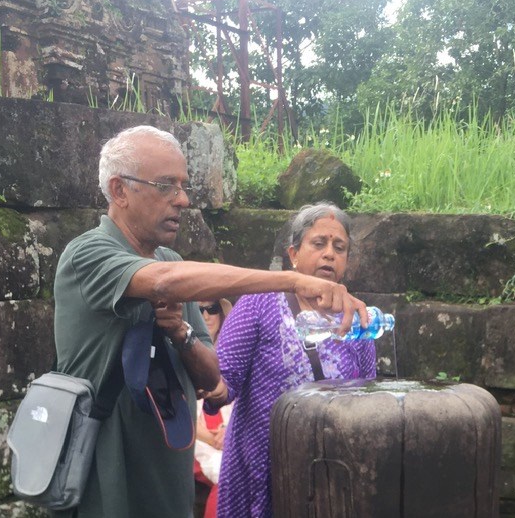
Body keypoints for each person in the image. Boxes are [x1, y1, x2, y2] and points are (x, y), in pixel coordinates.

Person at [52, 126, 367, 518]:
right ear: (120, 191)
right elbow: (164, 284)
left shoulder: (170, 260)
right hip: (106, 462)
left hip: (167, 464)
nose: (182, 200)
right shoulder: (88, 254)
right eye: (166, 185)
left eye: (183, 186)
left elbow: (212, 375)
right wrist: (292, 280)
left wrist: (180, 333)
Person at [212, 202, 377, 518]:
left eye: (339, 247)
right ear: (293, 255)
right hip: (260, 473)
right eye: (319, 243)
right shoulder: (258, 304)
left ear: (347, 262)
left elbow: (367, 405)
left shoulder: (358, 320)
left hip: (331, 478)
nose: (329, 253)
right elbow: (223, 382)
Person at [194, 299, 233, 518]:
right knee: (227, 473)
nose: (206, 316)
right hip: (196, 436)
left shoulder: (232, 352)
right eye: (199, 310)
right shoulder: (180, 348)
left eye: (212, 309)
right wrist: (213, 439)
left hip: (230, 430)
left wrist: (229, 433)